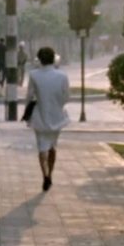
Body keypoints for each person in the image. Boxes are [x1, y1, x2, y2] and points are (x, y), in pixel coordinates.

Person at [25, 46, 70, 191]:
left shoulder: (34, 75)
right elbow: (66, 97)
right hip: (57, 117)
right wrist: (57, 105)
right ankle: (50, 173)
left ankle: (45, 175)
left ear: (40, 59)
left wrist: (28, 111)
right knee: (53, 146)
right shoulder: (62, 76)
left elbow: (29, 96)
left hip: (40, 116)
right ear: (53, 58)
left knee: (41, 147)